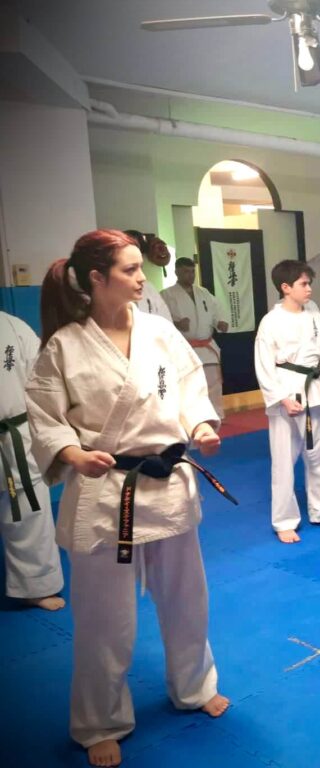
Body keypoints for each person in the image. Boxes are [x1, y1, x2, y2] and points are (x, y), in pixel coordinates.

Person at [26, 230, 231, 767]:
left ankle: (194, 686)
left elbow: (189, 388)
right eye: (130, 269)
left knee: (187, 600)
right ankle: (99, 721)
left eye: (142, 268)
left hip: (166, 485)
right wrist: (73, 454)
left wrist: (201, 424)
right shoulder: (65, 345)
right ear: (97, 278)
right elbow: (45, 415)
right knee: (105, 620)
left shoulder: (159, 332)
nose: (143, 278)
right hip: (105, 490)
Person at [255, 260, 320, 544]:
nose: (309, 288)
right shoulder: (271, 322)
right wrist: (281, 399)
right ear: (285, 288)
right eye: (303, 284)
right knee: (284, 462)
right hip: (287, 393)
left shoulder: (314, 315)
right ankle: (284, 521)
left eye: (309, 283)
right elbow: (264, 366)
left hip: (316, 391)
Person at [1, 311, 65, 612]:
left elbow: (41, 379)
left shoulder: (14, 327)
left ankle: (35, 586)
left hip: (14, 433)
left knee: (29, 507)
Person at [161, 257, 229, 418]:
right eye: (186, 272)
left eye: (192, 272)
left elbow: (216, 311)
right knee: (189, 386)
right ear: (176, 272)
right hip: (183, 348)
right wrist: (176, 324)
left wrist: (220, 322)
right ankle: (191, 418)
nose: (190, 275)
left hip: (207, 346)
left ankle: (216, 414)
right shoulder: (166, 295)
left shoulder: (203, 293)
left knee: (213, 383)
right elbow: (159, 319)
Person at [124, 230, 173, 324]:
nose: (142, 276)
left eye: (139, 267)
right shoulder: (107, 293)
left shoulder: (148, 288)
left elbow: (166, 322)